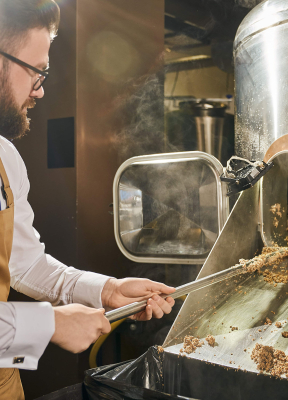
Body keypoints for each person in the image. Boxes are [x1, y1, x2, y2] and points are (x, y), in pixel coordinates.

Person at [0, 1, 176, 398]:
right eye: (36, 71)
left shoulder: (5, 159)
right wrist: (50, 325)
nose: (40, 89)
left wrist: (107, 290)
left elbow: (26, 265)